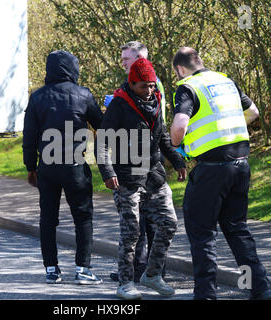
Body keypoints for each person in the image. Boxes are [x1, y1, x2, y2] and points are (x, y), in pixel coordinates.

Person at [170, 46, 271, 300]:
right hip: (241, 165)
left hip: (211, 171)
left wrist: (177, 143)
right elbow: (253, 112)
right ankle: (260, 289)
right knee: (237, 229)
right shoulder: (226, 81)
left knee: (202, 233)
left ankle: (206, 295)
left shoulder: (188, 87)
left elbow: (179, 126)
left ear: (181, 69)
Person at [95, 58, 187, 299]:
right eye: (143, 86)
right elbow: (102, 142)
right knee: (131, 232)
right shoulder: (119, 106)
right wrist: (107, 172)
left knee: (168, 224)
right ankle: (125, 283)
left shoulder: (156, 101)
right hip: (126, 178)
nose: (149, 91)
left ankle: (152, 275)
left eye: (152, 85)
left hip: (154, 176)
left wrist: (177, 160)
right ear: (132, 83)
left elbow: (163, 135)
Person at [23, 50, 103, 285]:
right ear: (73, 69)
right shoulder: (83, 95)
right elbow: (102, 124)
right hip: (75, 166)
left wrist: (30, 166)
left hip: (47, 166)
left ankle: (51, 269)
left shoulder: (37, 97)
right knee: (83, 217)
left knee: (48, 218)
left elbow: (29, 136)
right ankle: (83, 269)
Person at [105, 41, 169, 283]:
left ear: (141, 59)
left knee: (147, 222)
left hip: (145, 163)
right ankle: (140, 269)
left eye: (127, 59)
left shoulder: (152, 86)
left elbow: (156, 126)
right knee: (138, 222)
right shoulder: (131, 86)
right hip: (133, 162)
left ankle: (149, 270)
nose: (123, 63)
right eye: (122, 59)